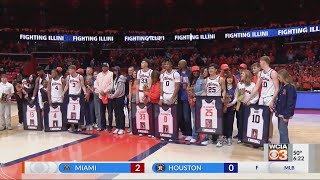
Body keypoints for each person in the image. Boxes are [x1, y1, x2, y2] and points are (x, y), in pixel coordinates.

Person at [245, 56, 279, 143]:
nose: (259, 63)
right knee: (262, 118)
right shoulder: (260, 73)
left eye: (260, 62)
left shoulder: (273, 73)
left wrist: (272, 100)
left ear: (264, 62)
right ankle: (262, 136)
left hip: (269, 97)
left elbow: (277, 88)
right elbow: (256, 87)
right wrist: (248, 98)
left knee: (269, 118)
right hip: (262, 98)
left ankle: (270, 138)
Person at [202, 63, 226, 146]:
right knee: (208, 120)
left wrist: (223, 97)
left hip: (217, 102)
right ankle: (209, 138)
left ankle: (220, 139)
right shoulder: (206, 80)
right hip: (209, 103)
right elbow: (205, 91)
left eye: (212, 68)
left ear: (216, 70)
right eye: (209, 69)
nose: (210, 70)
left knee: (219, 121)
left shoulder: (220, 79)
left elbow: (224, 90)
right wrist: (200, 98)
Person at [232, 70, 259, 143]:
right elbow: (236, 95)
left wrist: (250, 102)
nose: (241, 75)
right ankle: (240, 137)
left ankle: (247, 137)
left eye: (242, 74)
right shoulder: (239, 84)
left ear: (247, 75)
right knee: (240, 122)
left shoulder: (253, 85)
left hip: (249, 106)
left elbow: (256, 97)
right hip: (240, 105)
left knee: (248, 122)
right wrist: (235, 103)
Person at [159, 59, 180, 141]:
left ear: (171, 65)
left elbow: (177, 87)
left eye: (168, 64)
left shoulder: (176, 74)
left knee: (173, 117)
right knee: (165, 116)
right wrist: (161, 98)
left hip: (172, 95)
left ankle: (173, 134)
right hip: (164, 95)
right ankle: (165, 133)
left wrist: (173, 98)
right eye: (165, 64)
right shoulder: (162, 75)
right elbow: (161, 87)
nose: (166, 65)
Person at [63, 65, 87, 132]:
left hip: (78, 96)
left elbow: (83, 86)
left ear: (74, 69)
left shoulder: (80, 77)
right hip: (70, 95)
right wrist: (63, 93)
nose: (69, 71)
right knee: (71, 112)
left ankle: (79, 126)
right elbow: (67, 86)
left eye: (70, 70)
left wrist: (85, 92)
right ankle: (72, 126)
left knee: (78, 111)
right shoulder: (68, 77)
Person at [275, 69, 297, 144]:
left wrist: (287, 115)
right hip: (280, 112)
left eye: (279, 77)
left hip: (284, 113)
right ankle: (285, 145)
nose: (278, 79)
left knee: (283, 130)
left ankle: (284, 147)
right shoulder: (283, 87)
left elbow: (290, 103)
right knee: (281, 130)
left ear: (284, 77)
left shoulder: (290, 87)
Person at [187, 66, 204, 143]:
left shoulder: (202, 80)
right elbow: (188, 90)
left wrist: (195, 95)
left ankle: (198, 135)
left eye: (197, 71)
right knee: (194, 119)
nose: (195, 72)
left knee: (199, 119)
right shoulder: (190, 80)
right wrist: (190, 98)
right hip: (192, 101)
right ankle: (195, 135)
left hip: (199, 101)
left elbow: (204, 91)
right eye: (194, 71)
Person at [108, 66, 126, 135]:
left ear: (118, 70)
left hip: (119, 97)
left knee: (120, 113)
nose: (114, 71)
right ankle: (118, 127)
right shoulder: (115, 78)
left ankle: (122, 128)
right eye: (114, 70)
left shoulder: (121, 78)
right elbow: (114, 88)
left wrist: (113, 95)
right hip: (115, 97)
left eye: (116, 70)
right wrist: (111, 94)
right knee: (116, 113)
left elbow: (119, 90)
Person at [96, 62, 113, 132]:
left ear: (108, 67)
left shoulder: (111, 74)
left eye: (105, 66)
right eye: (103, 66)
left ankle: (110, 126)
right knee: (102, 112)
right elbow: (96, 84)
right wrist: (100, 91)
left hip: (108, 95)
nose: (104, 68)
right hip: (101, 95)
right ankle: (103, 126)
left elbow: (112, 85)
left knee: (109, 112)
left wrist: (105, 91)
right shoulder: (99, 75)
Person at [177, 60, 192, 141]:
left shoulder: (190, 72)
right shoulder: (177, 72)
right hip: (179, 97)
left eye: (180, 64)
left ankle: (189, 133)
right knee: (179, 117)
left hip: (187, 97)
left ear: (184, 64)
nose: (178, 65)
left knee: (186, 117)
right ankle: (183, 132)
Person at [143, 70, 161, 138]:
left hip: (156, 103)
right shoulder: (152, 84)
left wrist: (147, 93)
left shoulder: (158, 84)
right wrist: (146, 92)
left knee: (156, 118)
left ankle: (156, 133)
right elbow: (147, 93)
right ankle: (152, 132)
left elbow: (156, 96)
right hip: (150, 103)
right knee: (151, 118)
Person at [223, 74, 237, 146]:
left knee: (230, 123)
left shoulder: (235, 88)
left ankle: (229, 137)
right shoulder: (224, 88)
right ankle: (224, 136)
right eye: (228, 78)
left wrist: (230, 104)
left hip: (231, 107)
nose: (229, 79)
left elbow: (236, 98)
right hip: (224, 107)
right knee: (223, 122)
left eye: (231, 78)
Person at [126, 66, 135, 133]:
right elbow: (126, 89)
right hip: (129, 98)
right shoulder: (127, 79)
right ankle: (130, 127)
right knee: (130, 113)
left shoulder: (137, 79)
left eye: (131, 70)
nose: (129, 72)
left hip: (135, 97)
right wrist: (127, 95)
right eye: (129, 70)